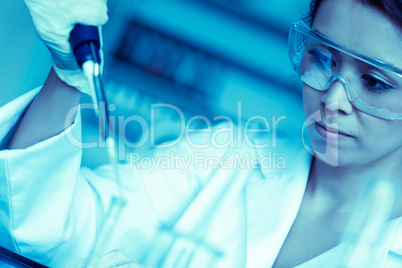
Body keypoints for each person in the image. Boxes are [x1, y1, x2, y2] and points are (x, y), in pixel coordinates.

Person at [0, 0, 401, 267]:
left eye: (375, 83)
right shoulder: (226, 157)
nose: (332, 98)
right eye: (323, 58)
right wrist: (70, 71)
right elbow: (45, 228)